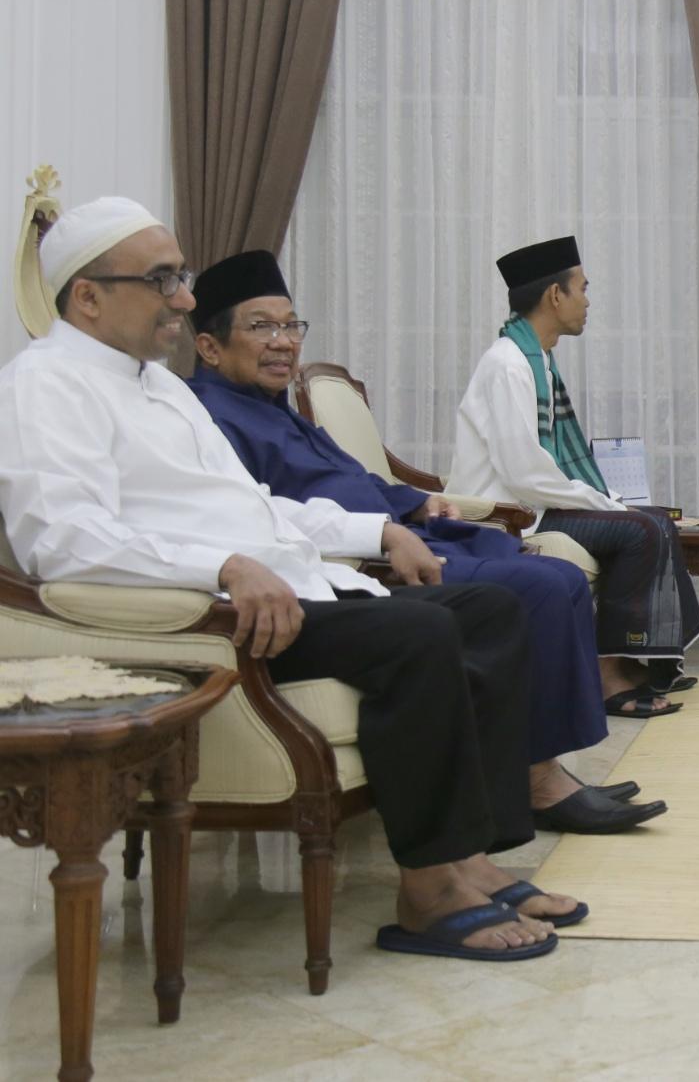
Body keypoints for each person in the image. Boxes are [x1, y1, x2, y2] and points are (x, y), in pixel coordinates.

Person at [0, 197, 583, 961]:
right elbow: (62, 541)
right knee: (422, 629)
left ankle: (471, 859)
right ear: (88, 295)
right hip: (215, 617)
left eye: (181, 277)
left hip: (282, 587)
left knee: (493, 608)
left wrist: (377, 530)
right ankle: (429, 894)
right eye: (163, 279)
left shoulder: (160, 387)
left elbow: (255, 505)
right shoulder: (45, 385)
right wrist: (221, 566)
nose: (184, 298)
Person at [186, 249, 664, 835]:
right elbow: (267, 515)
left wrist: (414, 501)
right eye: (262, 327)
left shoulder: (272, 407)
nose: (284, 342)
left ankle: (543, 769)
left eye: (291, 326)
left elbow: (356, 479)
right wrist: (386, 530)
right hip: (361, 561)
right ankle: (539, 785)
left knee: (558, 577)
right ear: (209, 346)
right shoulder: (210, 417)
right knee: (543, 585)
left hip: (404, 530)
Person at [449, 236, 699, 718]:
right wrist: (602, 501)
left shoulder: (537, 359)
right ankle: (608, 677)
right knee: (642, 529)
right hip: (509, 513)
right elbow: (523, 472)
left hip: (537, 503)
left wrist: (604, 499)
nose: (587, 301)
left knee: (656, 519)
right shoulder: (509, 364)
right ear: (555, 295)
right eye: (582, 288)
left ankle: (643, 661)